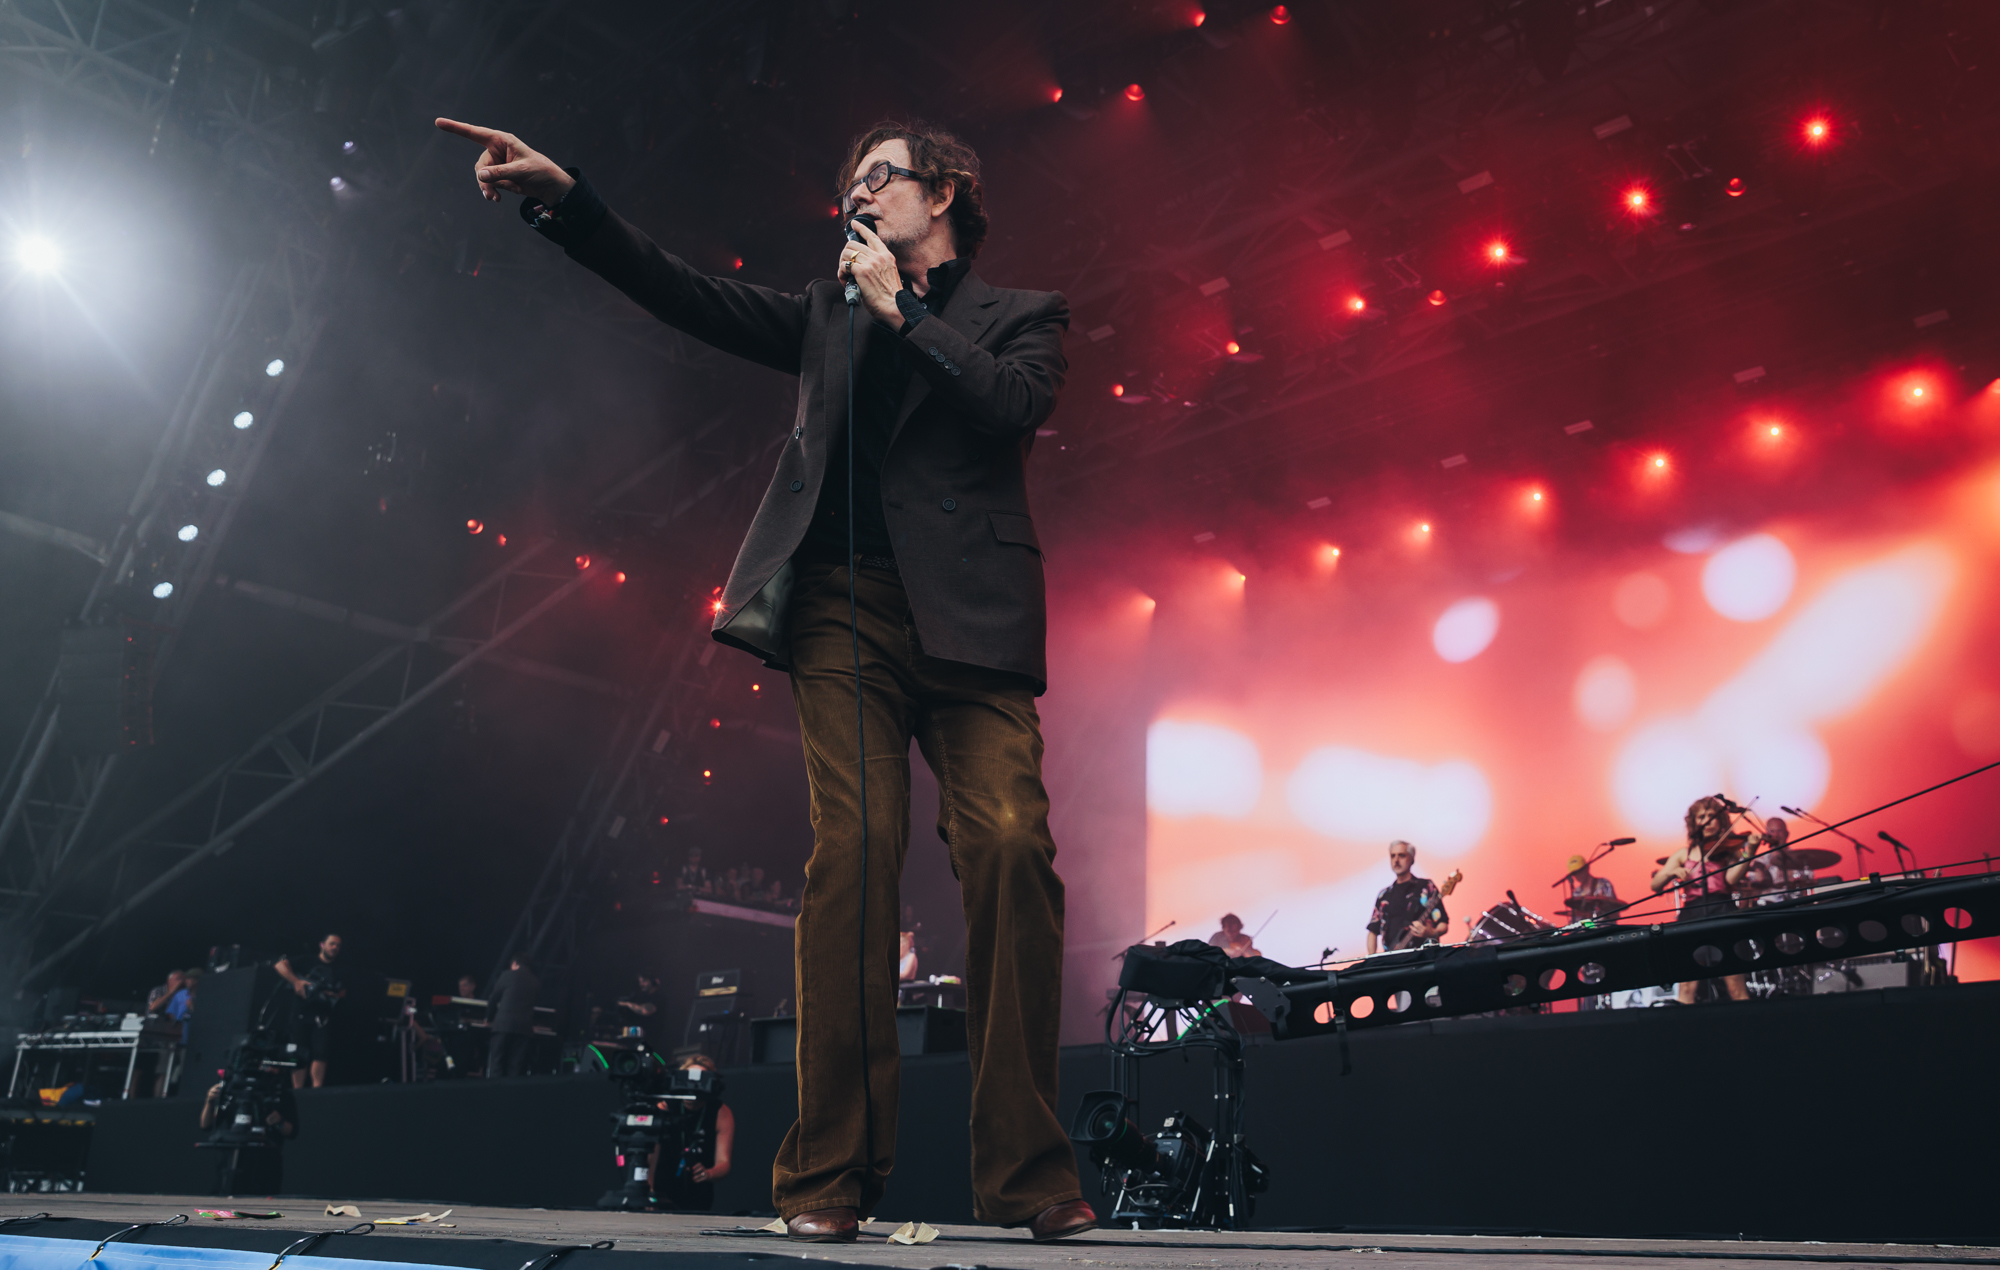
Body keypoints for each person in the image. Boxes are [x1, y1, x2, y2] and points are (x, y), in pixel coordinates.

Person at [434, 115, 1089, 1244]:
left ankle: (1027, 1173)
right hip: (843, 605)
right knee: (855, 849)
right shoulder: (826, 314)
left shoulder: (1022, 314)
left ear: (943, 193)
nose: (857, 194)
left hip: (972, 623)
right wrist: (567, 200)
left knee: (1009, 847)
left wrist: (905, 311)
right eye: (849, 182)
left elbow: (1013, 405)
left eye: (878, 176)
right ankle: (830, 1171)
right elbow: (684, 294)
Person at [1651, 796, 1756, 1003]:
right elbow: (1655, 885)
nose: (1707, 821)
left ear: (1720, 820)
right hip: (1692, 915)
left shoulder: (1729, 849)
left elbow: (1731, 879)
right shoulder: (1684, 853)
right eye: (1702, 817)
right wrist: (1672, 872)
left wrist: (1749, 852)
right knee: (1687, 986)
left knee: (1735, 984)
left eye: (1712, 816)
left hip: (1723, 911)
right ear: (1694, 822)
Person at [647, 1053, 737, 1210]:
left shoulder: (720, 1112)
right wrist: (649, 1192)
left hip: (698, 1197)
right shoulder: (665, 1107)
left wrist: (709, 1173)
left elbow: (724, 1162)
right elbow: (650, 1159)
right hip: (662, 1194)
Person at [200, 1076, 298, 1195]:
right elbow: (206, 1125)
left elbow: (292, 1132)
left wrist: (280, 1121)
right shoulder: (233, 1090)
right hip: (234, 1158)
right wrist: (210, 1101)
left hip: (266, 1163)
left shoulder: (280, 1094)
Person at [274, 934, 346, 1088]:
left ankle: (316, 1091)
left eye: (338, 945)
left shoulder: (339, 969)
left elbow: (343, 991)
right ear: (322, 945)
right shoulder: (307, 960)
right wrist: (296, 982)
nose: (335, 947)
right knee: (299, 1052)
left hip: (322, 1015)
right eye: (332, 944)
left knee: (321, 1053)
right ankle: (298, 1090)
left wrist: (333, 994)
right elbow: (280, 965)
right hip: (301, 1013)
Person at [1366, 842, 1451, 953]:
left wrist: (1432, 933)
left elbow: (1443, 923)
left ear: (1412, 859)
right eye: (1393, 856)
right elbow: (1373, 931)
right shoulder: (1384, 895)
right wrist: (1371, 959)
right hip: (1391, 959)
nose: (1396, 860)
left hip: (1422, 956)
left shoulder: (1425, 887)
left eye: (1401, 855)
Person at [486, 956, 540, 1077]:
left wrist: (489, 1019)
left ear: (515, 963)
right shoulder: (535, 981)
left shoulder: (507, 975)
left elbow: (493, 998)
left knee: (497, 1063)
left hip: (503, 1025)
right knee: (515, 1067)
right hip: (524, 1028)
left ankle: (495, 1088)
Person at [617, 973, 666, 1046]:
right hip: (636, 1039)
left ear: (653, 981)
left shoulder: (659, 997)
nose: (641, 984)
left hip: (651, 1041)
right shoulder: (639, 996)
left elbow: (645, 1011)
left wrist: (627, 1004)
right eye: (640, 982)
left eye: (644, 981)